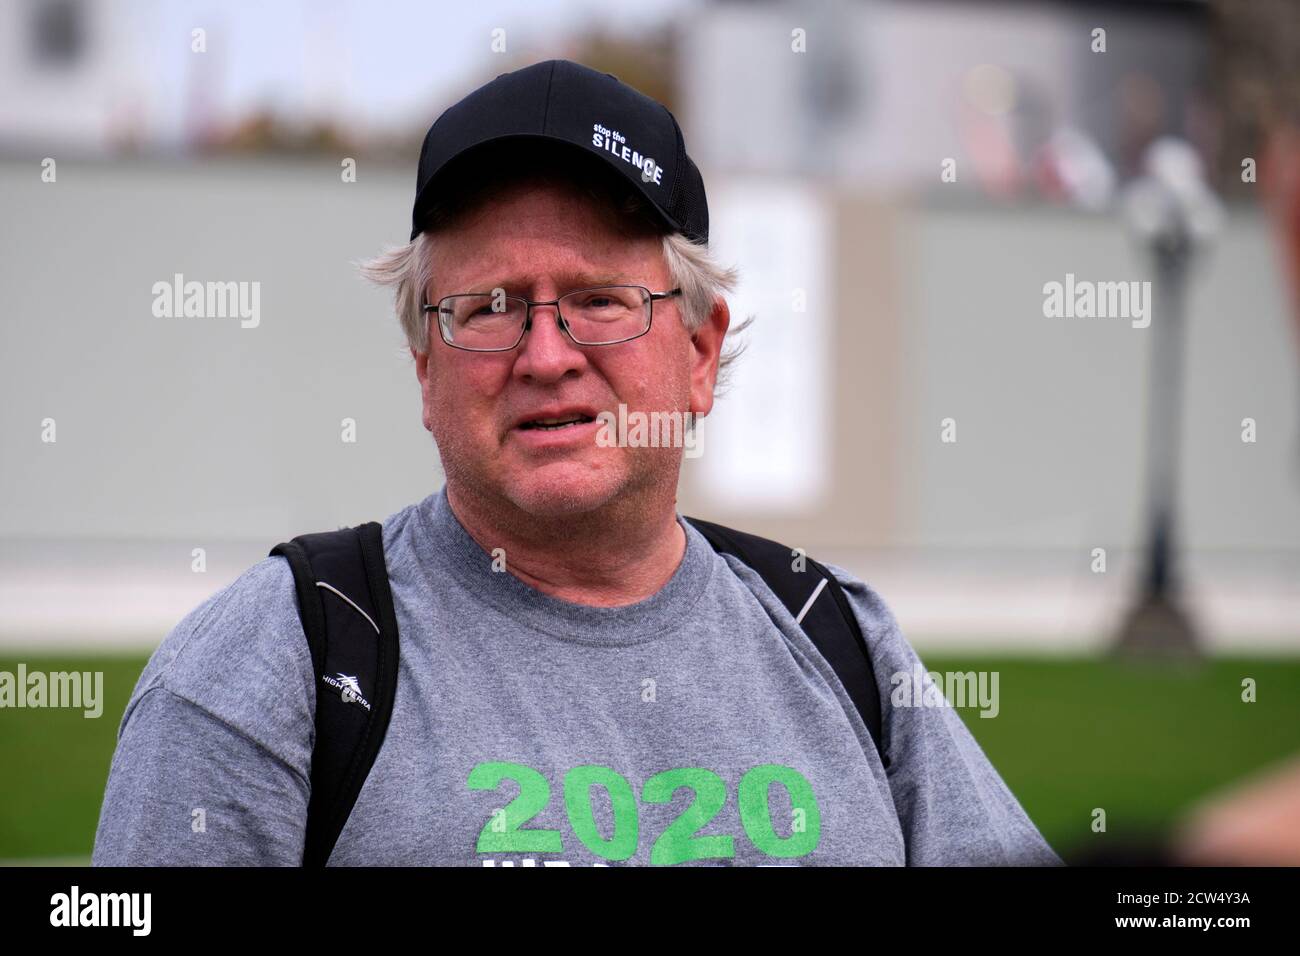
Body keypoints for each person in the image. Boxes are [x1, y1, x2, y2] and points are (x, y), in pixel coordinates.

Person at [92, 59, 1060, 867]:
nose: (545, 354)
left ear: (700, 350)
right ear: (425, 368)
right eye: (488, 308)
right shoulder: (275, 662)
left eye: (599, 300)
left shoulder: (838, 638)